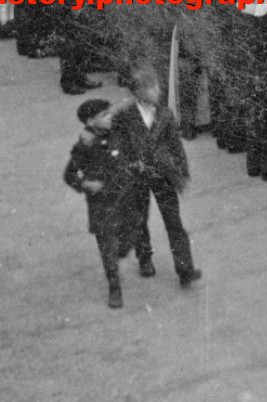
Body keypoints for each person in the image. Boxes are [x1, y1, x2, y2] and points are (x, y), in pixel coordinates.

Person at [115, 62, 202, 287]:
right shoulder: (125, 116)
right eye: (153, 88)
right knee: (139, 219)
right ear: (139, 92)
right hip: (138, 176)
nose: (158, 91)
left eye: (157, 87)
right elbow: (118, 147)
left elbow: (176, 146)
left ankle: (185, 269)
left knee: (174, 222)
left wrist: (182, 174)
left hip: (163, 174)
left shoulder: (165, 113)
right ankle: (145, 258)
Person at [62, 98, 133, 309]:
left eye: (109, 113)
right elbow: (69, 174)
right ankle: (114, 286)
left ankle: (121, 252)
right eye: (104, 115)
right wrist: (86, 184)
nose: (110, 117)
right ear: (91, 121)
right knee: (107, 245)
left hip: (124, 198)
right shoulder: (84, 145)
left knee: (128, 237)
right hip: (101, 203)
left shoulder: (117, 134)